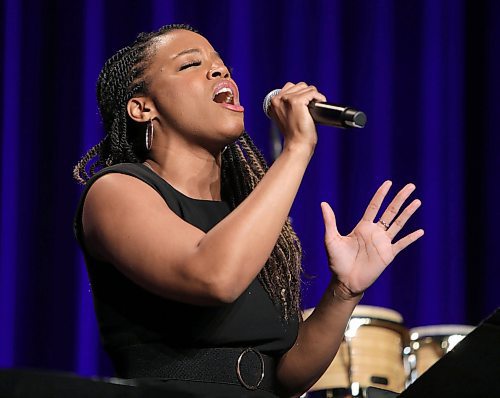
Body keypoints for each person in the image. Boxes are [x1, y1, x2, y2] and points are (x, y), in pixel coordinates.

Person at [73, 23, 424, 398]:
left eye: (222, 64)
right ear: (142, 108)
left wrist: (344, 291)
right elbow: (213, 275)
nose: (220, 70)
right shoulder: (115, 191)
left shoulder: (244, 214)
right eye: (190, 64)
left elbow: (286, 377)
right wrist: (297, 149)